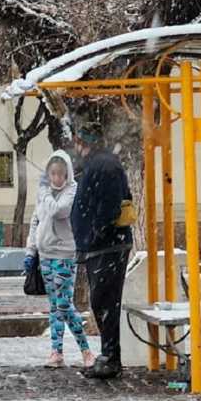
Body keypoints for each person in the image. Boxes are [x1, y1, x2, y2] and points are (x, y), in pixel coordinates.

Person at [70, 126, 133, 379]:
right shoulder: (99, 163)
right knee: (102, 302)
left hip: (107, 246)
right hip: (103, 245)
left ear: (86, 142)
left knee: (105, 302)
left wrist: (95, 233)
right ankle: (108, 355)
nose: (76, 146)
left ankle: (111, 357)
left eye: (78, 141)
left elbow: (109, 206)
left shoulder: (103, 165)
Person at [25, 150, 96, 369]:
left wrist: (45, 192)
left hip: (64, 254)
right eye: (53, 173)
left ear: (67, 174)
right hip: (45, 255)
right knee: (55, 306)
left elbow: (58, 211)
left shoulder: (71, 190)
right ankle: (56, 352)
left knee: (65, 305)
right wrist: (30, 251)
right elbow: (36, 220)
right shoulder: (43, 193)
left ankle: (86, 350)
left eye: (60, 174)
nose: (56, 178)